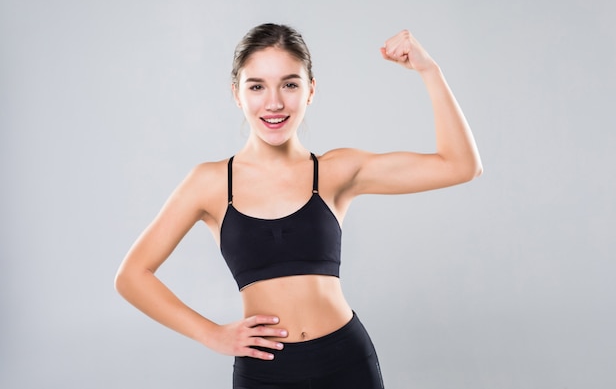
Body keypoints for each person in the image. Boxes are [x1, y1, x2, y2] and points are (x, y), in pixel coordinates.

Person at [115, 23, 482, 388]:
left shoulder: (336, 171)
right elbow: (132, 276)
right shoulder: (209, 183)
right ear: (237, 94)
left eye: (290, 84)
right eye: (256, 86)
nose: (274, 102)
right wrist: (211, 334)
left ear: (310, 91)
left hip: (346, 363)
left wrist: (429, 70)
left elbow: (461, 165)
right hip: (264, 372)